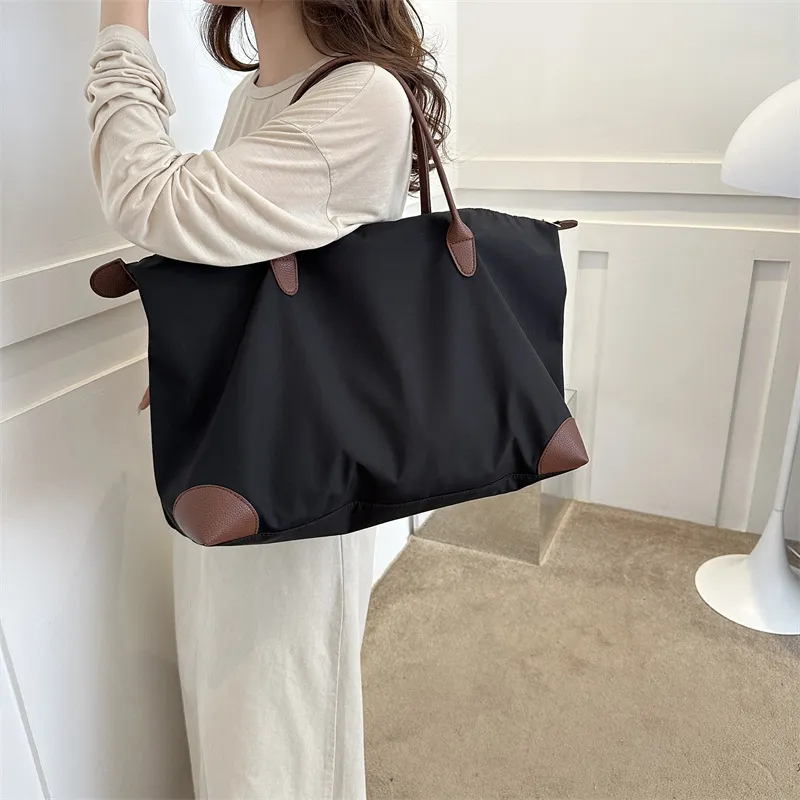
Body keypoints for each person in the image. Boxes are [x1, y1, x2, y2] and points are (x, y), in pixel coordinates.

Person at [85, 1, 448, 798]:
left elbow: (148, 196)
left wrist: (122, 21)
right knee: (229, 697)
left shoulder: (362, 96)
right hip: (236, 441)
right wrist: (205, 360)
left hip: (293, 467)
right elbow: (253, 266)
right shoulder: (255, 92)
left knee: (274, 724)